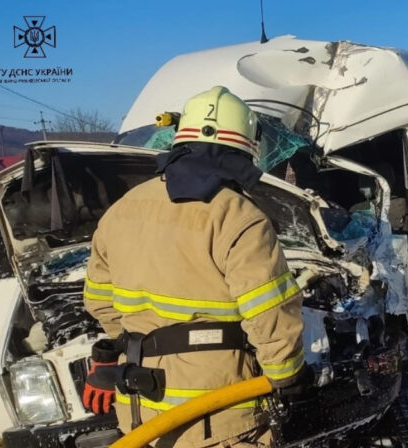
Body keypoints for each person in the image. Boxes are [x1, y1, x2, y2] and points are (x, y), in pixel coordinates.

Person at [82, 86, 307, 448]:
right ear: (246, 147)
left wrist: (139, 333)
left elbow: (99, 301)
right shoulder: (237, 215)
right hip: (217, 413)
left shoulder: (123, 208)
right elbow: (270, 312)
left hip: (139, 409)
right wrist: (286, 374)